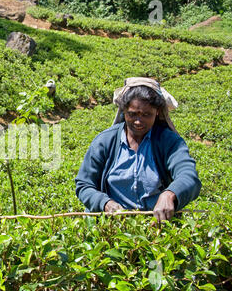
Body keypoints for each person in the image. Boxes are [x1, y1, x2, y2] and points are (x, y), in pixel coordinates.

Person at [75, 77, 202, 222]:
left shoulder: (169, 142)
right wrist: (105, 203)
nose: (138, 121)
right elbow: (84, 184)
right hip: (111, 226)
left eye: (146, 115)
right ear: (124, 111)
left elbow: (189, 176)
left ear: (157, 112)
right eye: (132, 114)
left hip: (157, 226)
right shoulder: (105, 142)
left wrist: (169, 194)